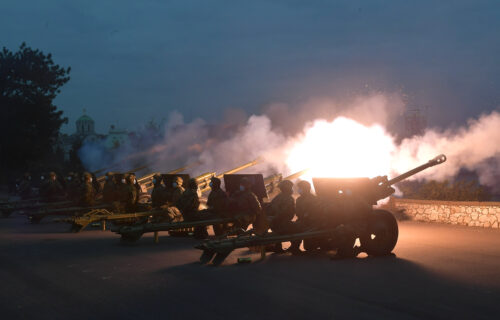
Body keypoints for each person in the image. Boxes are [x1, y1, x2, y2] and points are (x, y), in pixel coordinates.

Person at [266, 180, 302, 254]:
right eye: (291, 187)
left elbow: (269, 210)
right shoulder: (288, 198)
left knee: (286, 225)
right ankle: (295, 248)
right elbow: (286, 214)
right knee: (299, 228)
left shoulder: (277, 197)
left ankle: (278, 247)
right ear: (287, 188)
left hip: (273, 225)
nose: (292, 189)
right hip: (281, 224)